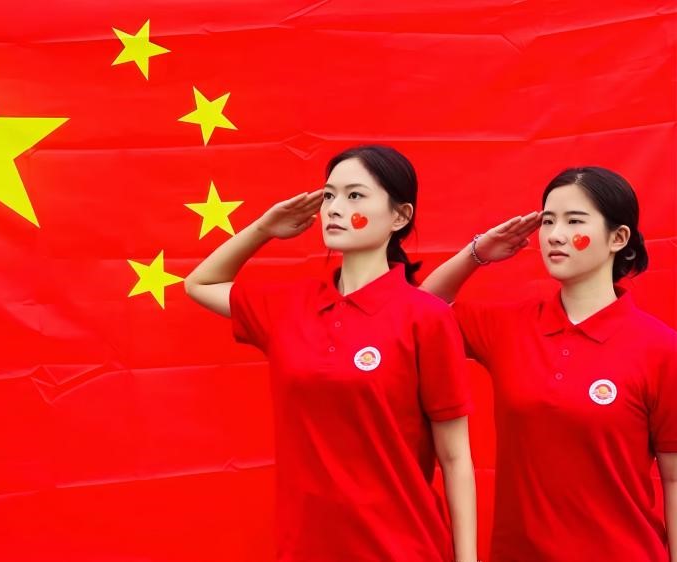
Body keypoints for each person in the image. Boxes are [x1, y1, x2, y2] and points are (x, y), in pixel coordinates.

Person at [185, 145, 478, 561]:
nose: (334, 209)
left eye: (354, 195)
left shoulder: (426, 318)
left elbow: (454, 457)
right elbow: (199, 284)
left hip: (401, 547)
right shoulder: (290, 307)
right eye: (328, 196)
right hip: (306, 548)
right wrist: (265, 228)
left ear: (400, 216)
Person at [421, 166, 677, 561]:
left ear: (618, 238)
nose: (555, 235)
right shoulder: (509, 326)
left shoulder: (659, 348)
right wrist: (477, 254)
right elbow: (421, 314)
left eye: (574, 221)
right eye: (548, 221)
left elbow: (674, 479)